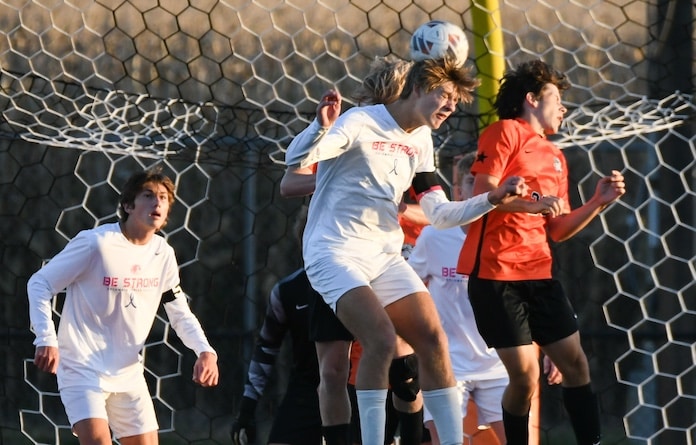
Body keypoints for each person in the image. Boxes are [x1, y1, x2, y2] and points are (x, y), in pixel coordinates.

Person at [284, 56, 528, 445]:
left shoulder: (420, 140)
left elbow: (440, 214)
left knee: (432, 337)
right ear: (417, 89)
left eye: (455, 100)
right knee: (379, 339)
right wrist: (320, 127)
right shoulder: (359, 121)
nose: (450, 107)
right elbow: (295, 161)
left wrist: (493, 198)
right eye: (443, 96)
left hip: (383, 255)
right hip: (334, 253)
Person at [457, 59, 626, 445]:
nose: (563, 107)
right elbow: (485, 195)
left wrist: (597, 203)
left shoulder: (556, 156)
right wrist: (531, 205)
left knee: (576, 365)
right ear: (531, 99)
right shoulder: (504, 132)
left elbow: (559, 228)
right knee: (525, 376)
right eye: (556, 97)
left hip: (540, 274)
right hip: (497, 276)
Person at [27, 167, 219, 445]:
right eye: (148, 195)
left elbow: (178, 311)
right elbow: (39, 283)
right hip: (82, 368)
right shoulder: (96, 244)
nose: (157, 203)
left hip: (128, 373)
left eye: (163, 198)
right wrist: (46, 338)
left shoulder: (163, 254)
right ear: (128, 205)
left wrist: (205, 350)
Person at [409, 153, 563, 445]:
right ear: (458, 191)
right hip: (448, 363)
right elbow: (407, 289)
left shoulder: (513, 237)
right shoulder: (433, 237)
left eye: (490, 182)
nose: (481, 189)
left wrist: (553, 346)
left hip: (501, 364)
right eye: (472, 181)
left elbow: (533, 297)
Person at [231, 205, 326, 445]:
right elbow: (265, 350)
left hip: (358, 391)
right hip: (305, 393)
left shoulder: (367, 287)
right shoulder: (287, 291)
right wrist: (247, 409)